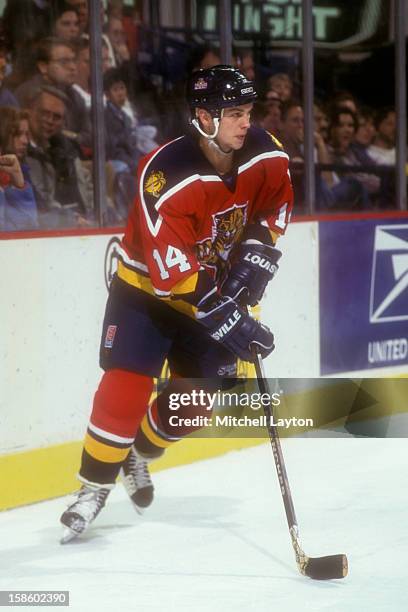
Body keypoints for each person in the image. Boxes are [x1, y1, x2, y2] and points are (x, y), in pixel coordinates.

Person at [59, 65, 293, 543]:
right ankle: (92, 488)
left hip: (212, 289)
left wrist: (253, 262)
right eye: (233, 114)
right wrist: (233, 322)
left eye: (247, 112)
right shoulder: (165, 174)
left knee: (194, 405)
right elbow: (176, 277)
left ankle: (137, 452)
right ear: (204, 118)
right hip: (147, 292)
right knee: (125, 384)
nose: (245, 123)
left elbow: (274, 209)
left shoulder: (266, 154)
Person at [26, 86, 93, 228]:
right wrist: (71, 220)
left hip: (82, 223)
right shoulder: (20, 153)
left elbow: (88, 188)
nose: (50, 121)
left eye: (57, 117)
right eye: (45, 113)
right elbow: (40, 209)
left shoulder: (68, 150)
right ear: (30, 111)